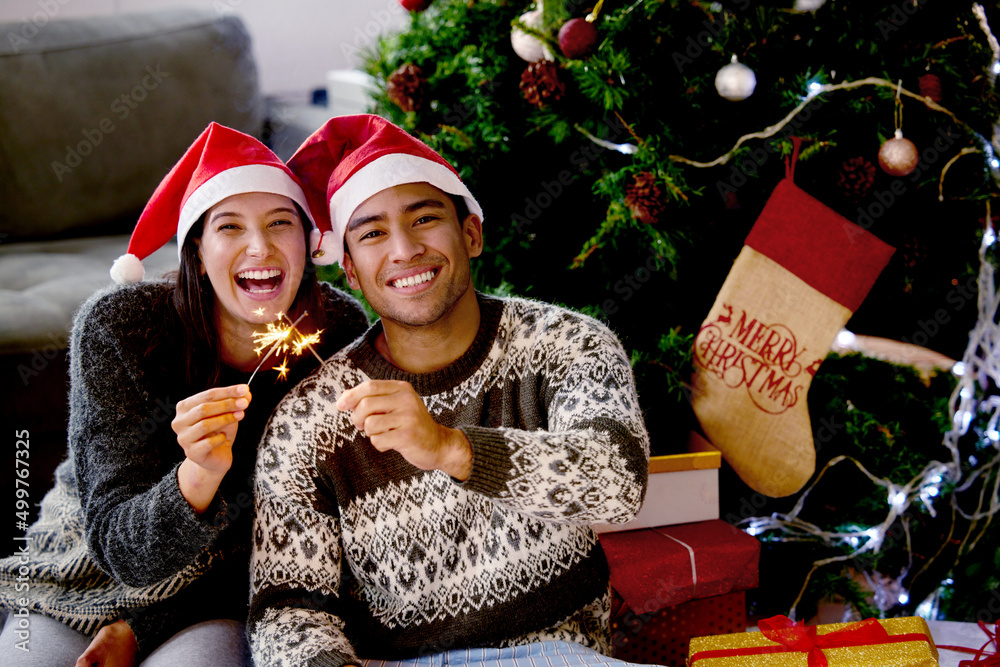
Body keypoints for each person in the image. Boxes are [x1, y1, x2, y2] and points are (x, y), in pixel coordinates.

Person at [248, 114, 651, 667]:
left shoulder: (568, 344)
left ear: (471, 234)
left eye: (425, 219)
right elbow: (286, 610)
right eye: (371, 234)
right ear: (350, 271)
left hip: (559, 653)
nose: (406, 249)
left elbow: (619, 482)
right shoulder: (308, 419)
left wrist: (451, 447)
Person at [0, 122, 369, 666]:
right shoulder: (120, 327)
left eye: (280, 223)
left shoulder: (334, 331)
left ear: (309, 241)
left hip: (221, 590)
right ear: (196, 247)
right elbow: (118, 541)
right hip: (82, 569)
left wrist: (147, 628)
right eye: (230, 227)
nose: (260, 247)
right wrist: (197, 474)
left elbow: (301, 538)